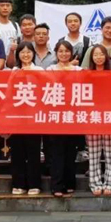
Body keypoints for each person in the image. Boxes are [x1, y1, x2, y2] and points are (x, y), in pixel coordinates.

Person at [46, 40, 81, 197]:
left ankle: (70, 183)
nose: (64, 54)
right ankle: (57, 185)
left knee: (70, 151)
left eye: (67, 51)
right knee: (57, 151)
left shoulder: (78, 70)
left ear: (71, 53)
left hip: (73, 115)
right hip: (56, 115)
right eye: (60, 51)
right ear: (56, 53)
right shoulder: (50, 69)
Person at [85, 45, 111, 196]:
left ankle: (110, 183)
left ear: (106, 57)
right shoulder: (87, 74)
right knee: (94, 153)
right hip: (92, 117)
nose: (98, 57)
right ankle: (95, 183)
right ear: (91, 57)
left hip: (110, 117)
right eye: (95, 55)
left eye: (101, 54)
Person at [10, 41, 43, 195]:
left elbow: (45, 87)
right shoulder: (14, 70)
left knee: (33, 151)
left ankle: (34, 184)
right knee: (17, 151)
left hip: (34, 115)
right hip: (17, 115)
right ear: (18, 55)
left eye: (28, 52)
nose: (26, 55)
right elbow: (9, 90)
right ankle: (18, 183)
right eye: (22, 52)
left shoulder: (39, 70)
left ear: (33, 54)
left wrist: (32, 74)